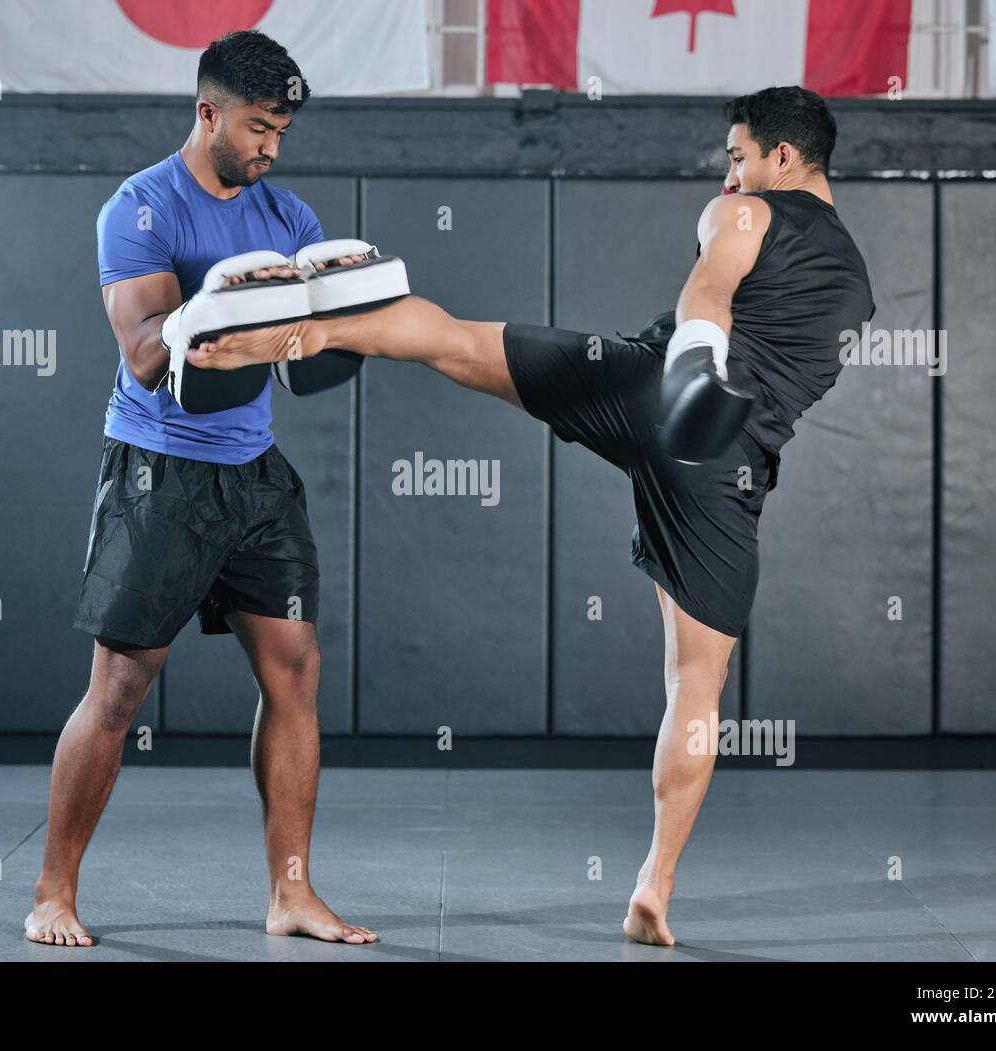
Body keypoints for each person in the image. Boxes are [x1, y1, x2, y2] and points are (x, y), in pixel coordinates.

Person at [185, 86, 876, 946]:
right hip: (726, 468)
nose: (729, 174)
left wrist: (696, 363)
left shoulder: (743, 214)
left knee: (459, 342)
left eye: (738, 156)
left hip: (650, 383)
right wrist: (713, 400)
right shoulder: (860, 290)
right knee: (696, 688)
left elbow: (711, 289)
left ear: (781, 156)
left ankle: (291, 333)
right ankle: (652, 887)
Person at [25, 30, 377, 948]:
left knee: (295, 670)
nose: (270, 147)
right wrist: (224, 302)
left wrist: (317, 322)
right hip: (158, 469)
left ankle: (291, 891)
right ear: (208, 111)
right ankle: (52, 892)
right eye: (259, 127)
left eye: (283, 132)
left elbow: (309, 353)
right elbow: (146, 356)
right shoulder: (141, 210)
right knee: (123, 684)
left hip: (255, 473)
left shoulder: (289, 217)